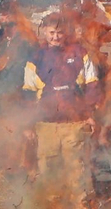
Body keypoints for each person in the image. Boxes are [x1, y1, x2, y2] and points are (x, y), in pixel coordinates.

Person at [24, 12, 100, 199]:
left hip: (75, 125)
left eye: (59, 32)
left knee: (77, 175)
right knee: (48, 176)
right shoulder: (36, 58)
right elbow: (28, 93)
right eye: (51, 32)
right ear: (44, 32)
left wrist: (90, 114)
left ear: (65, 32)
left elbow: (92, 84)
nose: (55, 37)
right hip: (46, 126)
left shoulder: (79, 53)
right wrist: (28, 124)